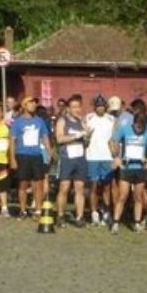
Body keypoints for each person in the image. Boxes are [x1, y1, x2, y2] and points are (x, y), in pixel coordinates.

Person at [111, 108, 147, 233]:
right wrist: (116, 157)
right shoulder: (125, 129)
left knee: (138, 197)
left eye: (141, 128)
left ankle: (137, 222)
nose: (139, 130)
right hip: (126, 167)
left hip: (140, 168)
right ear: (133, 123)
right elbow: (113, 140)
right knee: (123, 196)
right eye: (137, 127)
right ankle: (115, 223)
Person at [9, 96, 52, 219]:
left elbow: (45, 137)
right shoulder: (18, 122)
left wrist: (49, 153)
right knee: (23, 183)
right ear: (24, 105)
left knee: (38, 184)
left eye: (34, 103)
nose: (33, 105)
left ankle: (38, 210)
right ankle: (22, 210)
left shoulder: (40, 121)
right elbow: (12, 141)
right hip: (22, 155)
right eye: (30, 103)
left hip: (37, 156)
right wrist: (12, 158)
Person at [55, 94, 89, 226]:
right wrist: (76, 136)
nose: (77, 109)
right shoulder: (62, 121)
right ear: (68, 108)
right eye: (74, 107)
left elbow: (87, 141)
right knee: (64, 187)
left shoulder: (82, 122)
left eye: (78, 107)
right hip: (66, 158)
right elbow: (59, 139)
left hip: (80, 158)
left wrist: (87, 136)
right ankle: (60, 216)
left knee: (79, 188)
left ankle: (80, 217)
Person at [84, 95, 117, 226]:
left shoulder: (111, 119)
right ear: (94, 107)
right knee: (93, 185)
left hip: (107, 156)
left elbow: (114, 138)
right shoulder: (89, 118)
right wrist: (86, 138)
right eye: (98, 106)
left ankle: (106, 212)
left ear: (106, 107)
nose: (100, 109)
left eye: (102, 106)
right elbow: (85, 137)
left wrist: (115, 153)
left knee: (106, 187)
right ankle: (94, 213)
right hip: (92, 156)